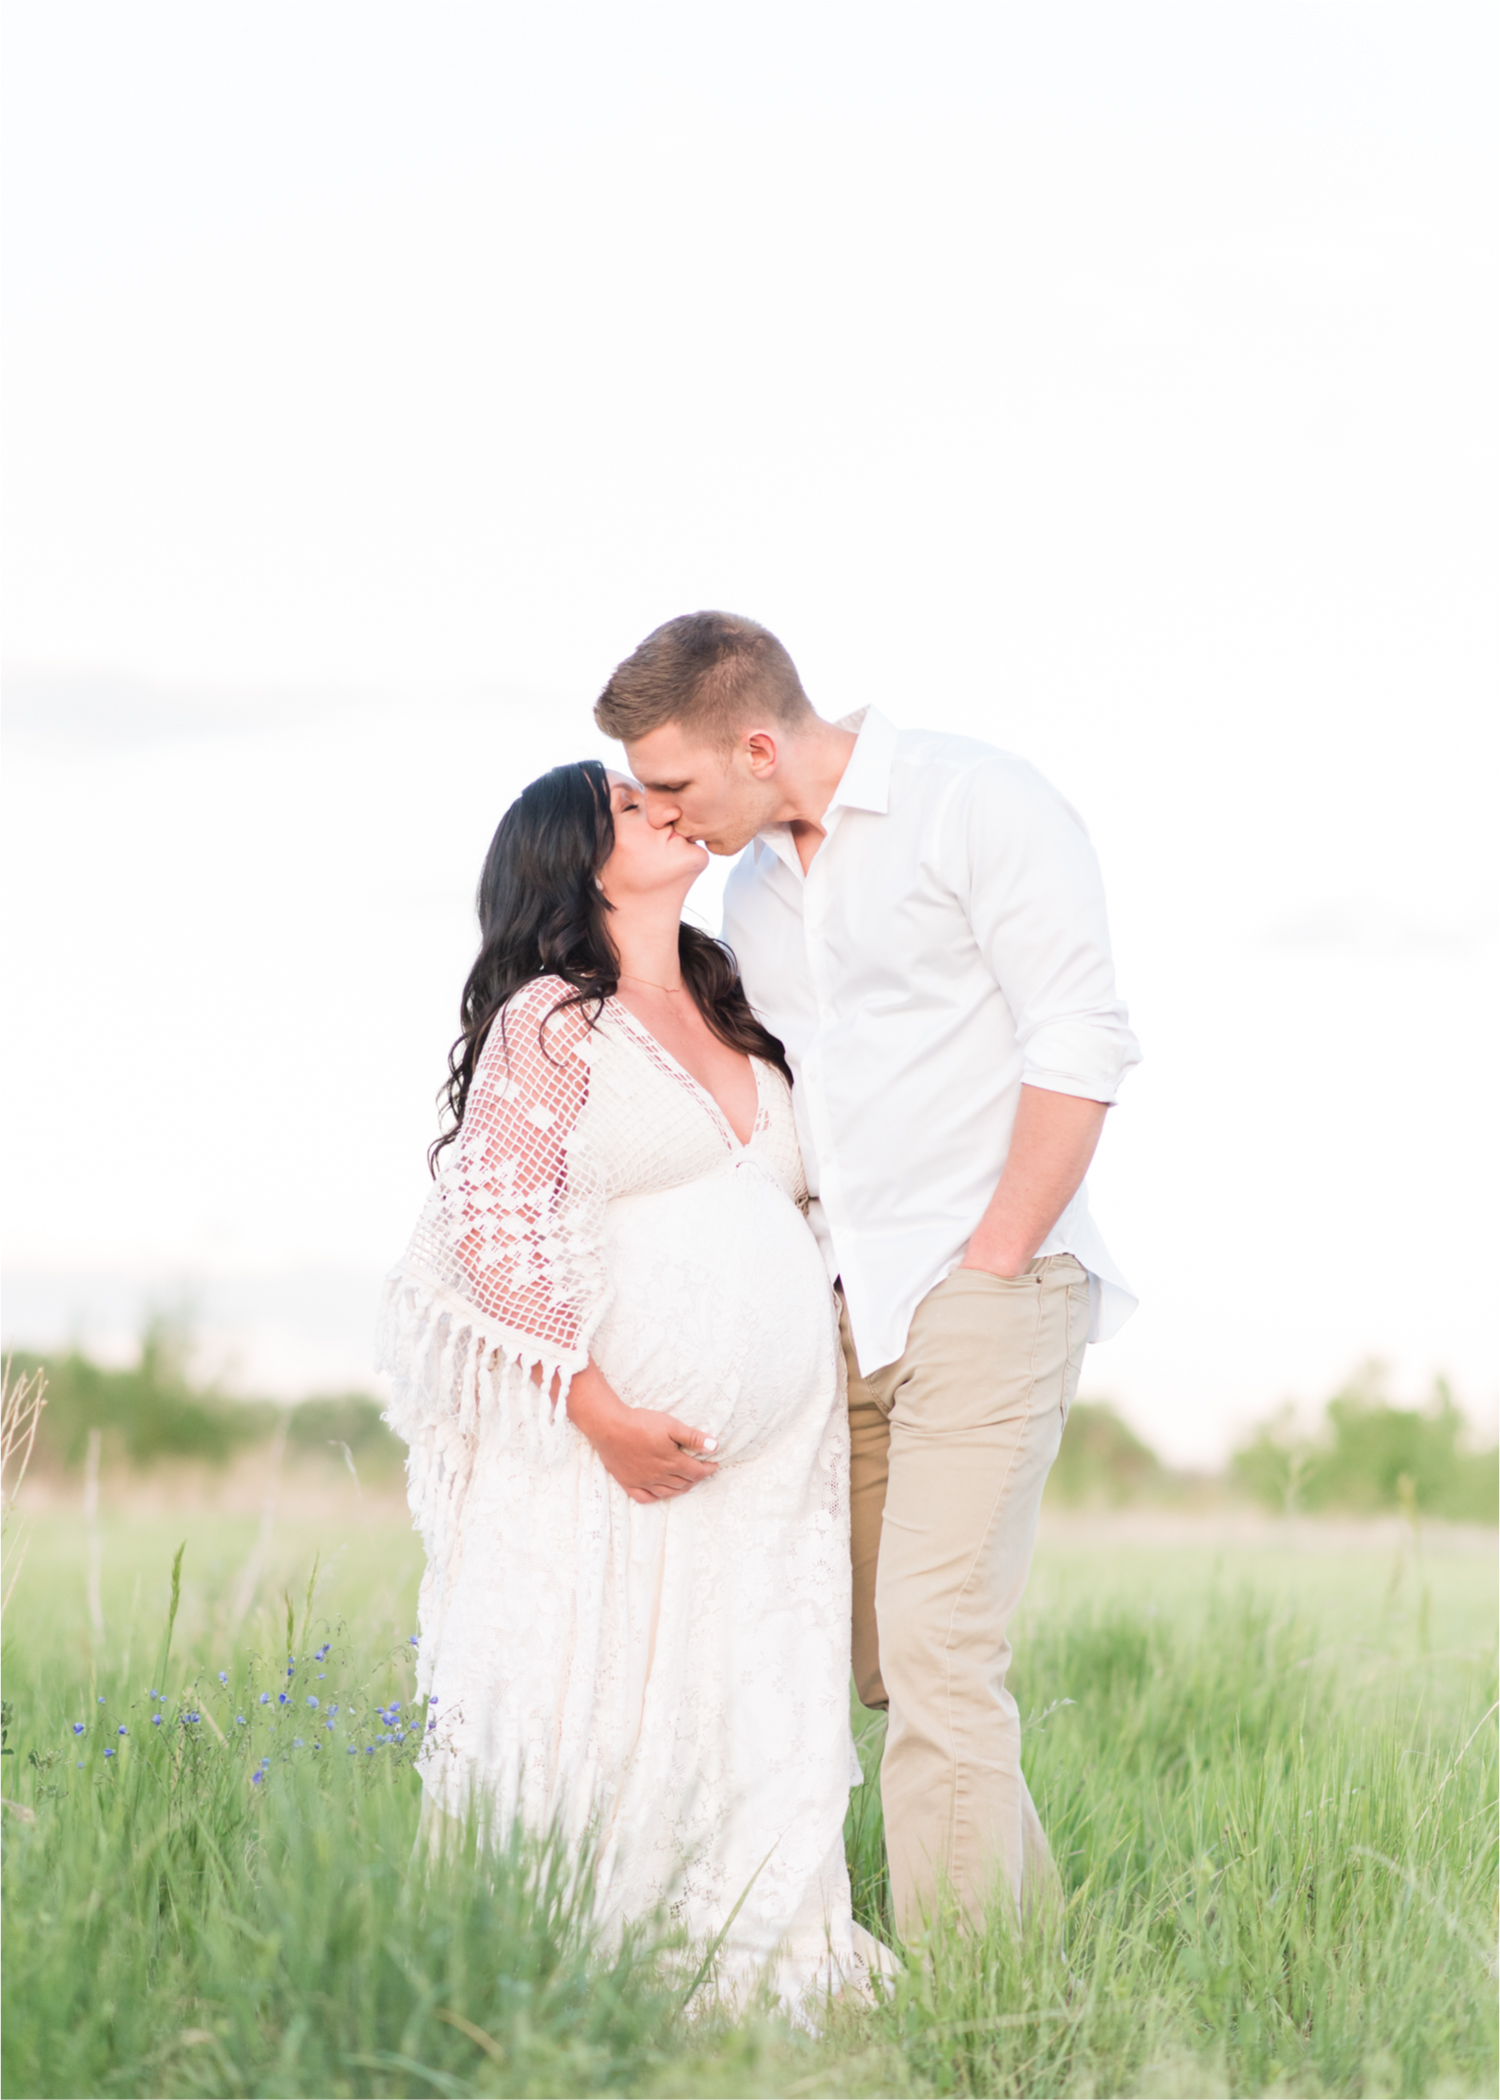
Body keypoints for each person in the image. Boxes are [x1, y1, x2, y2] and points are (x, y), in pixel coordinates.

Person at [595, 612, 1142, 1939]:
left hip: (985, 1284)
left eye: (673, 783)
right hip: (840, 1308)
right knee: (888, 1658)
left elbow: (1083, 1036)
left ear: (759, 743)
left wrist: (996, 1252)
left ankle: (972, 2010)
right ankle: (1040, 1954)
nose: (659, 811)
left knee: (943, 1646)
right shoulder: (755, 888)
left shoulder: (978, 804)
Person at [378, 758, 884, 2009]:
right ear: (570, 857)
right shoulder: (551, 1020)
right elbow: (489, 1226)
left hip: (768, 1470)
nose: (660, 798)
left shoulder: (737, 998)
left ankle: (755, 1957)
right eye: (621, 801)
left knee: (747, 1694)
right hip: (600, 1455)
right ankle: (573, 1977)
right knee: (595, 1702)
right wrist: (597, 1407)